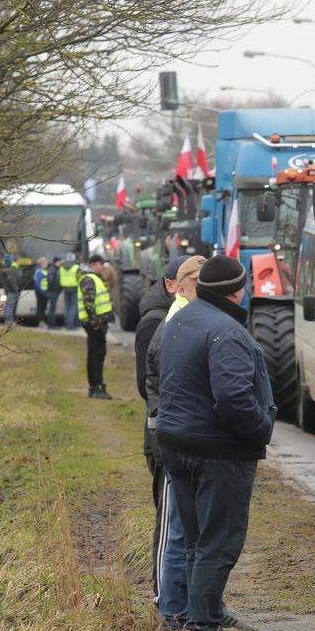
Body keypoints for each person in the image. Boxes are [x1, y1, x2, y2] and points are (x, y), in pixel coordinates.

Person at [157, 256, 275, 631]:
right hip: (219, 452)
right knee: (218, 544)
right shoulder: (228, 331)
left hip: (177, 446)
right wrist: (261, 427)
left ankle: (200, 623)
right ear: (237, 290)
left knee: (195, 542)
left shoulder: (179, 322)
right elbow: (233, 398)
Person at [135, 254, 192, 593]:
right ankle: (163, 597)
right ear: (171, 285)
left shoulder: (179, 316)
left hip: (179, 430)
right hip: (163, 434)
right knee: (169, 522)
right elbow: (147, 385)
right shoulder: (155, 322)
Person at [79, 254, 114, 399]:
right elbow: (89, 303)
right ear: (93, 264)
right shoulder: (90, 279)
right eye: (100, 264)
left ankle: (93, 387)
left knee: (93, 354)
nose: (102, 267)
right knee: (98, 355)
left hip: (95, 323)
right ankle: (98, 388)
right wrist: (95, 323)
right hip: (95, 323)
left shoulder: (93, 278)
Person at [60, 252, 80, 329]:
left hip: (65, 288)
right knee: (73, 307)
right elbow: (80, 277)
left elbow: (58, 278)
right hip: (74, 288)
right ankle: (71, 325)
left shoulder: (62, 267)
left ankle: (67, 323)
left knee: (67, 307)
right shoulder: (76, 267)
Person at [1, 254, 21, 324]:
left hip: (8, 290)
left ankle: (9, 320)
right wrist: (16, 290)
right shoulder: (9, 269)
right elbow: (12, 281)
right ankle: (9, 321)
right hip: (11, 290)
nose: (13, 260)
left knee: (9, 306)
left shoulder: (5, 268)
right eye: (12, 259)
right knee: (10, 306)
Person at [34, 257, 50, 327]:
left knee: (43, 307)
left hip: (44, 292)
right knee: (41, 307)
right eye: (46, 263)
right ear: (42, 264)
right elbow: (37, 283)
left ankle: (42, 322)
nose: (47, 264)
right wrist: (42, 291)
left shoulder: (44, 270)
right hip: (41, 292)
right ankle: (41, 322)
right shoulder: (39, 272)